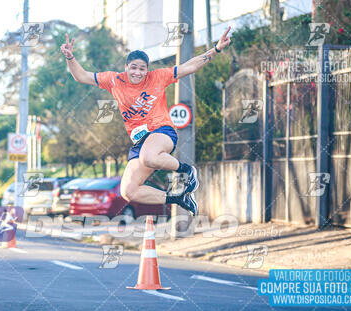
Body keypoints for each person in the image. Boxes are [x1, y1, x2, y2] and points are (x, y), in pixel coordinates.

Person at [60, 27, 232, 216]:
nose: (137, 72)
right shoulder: (114, 80)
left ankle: (188, 170)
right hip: (140, 142)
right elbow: (81, 76)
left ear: (147, 70)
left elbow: (189, 66)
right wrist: (70, 57)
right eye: (133, 67)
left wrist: (215, 49)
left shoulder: (157, 76)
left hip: (162, 132)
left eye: (142, 68)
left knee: (148, 157)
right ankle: (178, 198)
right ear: (126, 67)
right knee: (128, 191)